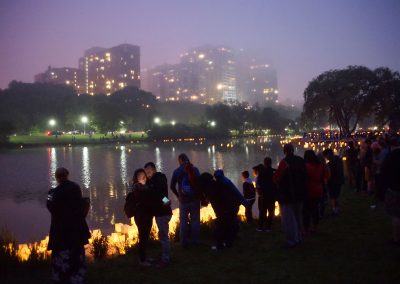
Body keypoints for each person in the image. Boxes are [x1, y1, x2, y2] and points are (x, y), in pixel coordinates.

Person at [47, 167, 91, 284]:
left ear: (56, 177)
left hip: (60, 230)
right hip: (76, 228)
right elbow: (81, 202)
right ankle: (77, 276)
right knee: (76, 252)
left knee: (61, 254)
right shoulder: (76, 187)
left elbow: (49, 206)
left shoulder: (52, 192)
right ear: (67, 175)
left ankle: (62, 276)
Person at [273, 143, 306, 248]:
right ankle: (300, 237)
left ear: (285, 151)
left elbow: (276, 179)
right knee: (298, 216)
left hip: (288, 195)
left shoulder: (284, 163)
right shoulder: (301, 160)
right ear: (293, 150)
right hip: (300, 193)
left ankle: (292, 241)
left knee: (289, 219)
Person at [212, 170, 249, 250]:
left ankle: (220, 245)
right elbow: (237, 193)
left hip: (228, 208)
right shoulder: (226, 181)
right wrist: (245, 203)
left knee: (222, 225)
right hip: (232, 207)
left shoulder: (222, 183)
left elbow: (235, 193)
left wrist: (245, 203)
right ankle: (229, 243)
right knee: (230, 225)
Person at [144, 162, 172, 266]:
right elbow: (163, 196)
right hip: (162, 212)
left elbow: (161, 195)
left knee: (164, 236)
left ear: (153, 169)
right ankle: (164, 255)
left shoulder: (156, 180)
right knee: (163, 235)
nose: (147, 174)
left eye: (148, 171)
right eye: (146, 172)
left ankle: (166, 259)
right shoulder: (159, 179)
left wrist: (166, 203)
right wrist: (167, 202)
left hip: (162, 213)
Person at [170, 153, 201, 247]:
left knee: (183, 222)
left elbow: (172, 186)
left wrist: (178, 195)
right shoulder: (195, 169)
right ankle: (195, 242)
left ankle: (183, 242)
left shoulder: (177, 171)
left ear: (180, 160)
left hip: (183, 200)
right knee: (195, 221)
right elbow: (199, 184)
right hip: (195, 199)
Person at [132, 168, 155, 266]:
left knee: (145, 237)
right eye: (142, 177)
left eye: (144, 176)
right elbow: (152, 194)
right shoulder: (137, 187)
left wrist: (166, 201)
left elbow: (158, 195)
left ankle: (144, 257)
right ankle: (142, 260)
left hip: (147, 215)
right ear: (137, 179)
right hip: (141, 216)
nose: (144, 178)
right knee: (143, 236)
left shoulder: (147, 187)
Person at [303, 150, 328, 234]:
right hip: (318, 190)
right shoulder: (320, 166)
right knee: (315, 209)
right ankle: (315, 228)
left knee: (306, 210)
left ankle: (306, 229)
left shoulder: (306, 167)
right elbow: (325, 176)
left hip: (308, 191)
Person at [382, 137, 400, 245]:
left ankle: (396, 238)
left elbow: (384, 172)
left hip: (394, 188)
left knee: (396, 215)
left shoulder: (390, 156)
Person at [323, 148, 345, 216]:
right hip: (339, 180)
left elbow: (331, 173)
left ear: (329, 154)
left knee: (333, 196)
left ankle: (334, 210)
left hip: (333, 181)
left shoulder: (331, 163)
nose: (325, 157)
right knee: (336, 195)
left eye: (326, 156)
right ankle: (336, 208)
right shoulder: (338, 159)